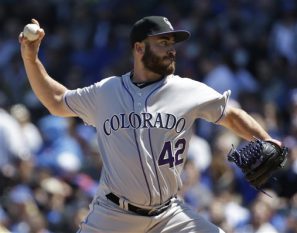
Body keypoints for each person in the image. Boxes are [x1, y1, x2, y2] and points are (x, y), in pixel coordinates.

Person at [19, 16, 283, 233]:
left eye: (172, 43)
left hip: (169, 215)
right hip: (113, 216)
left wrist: (265, 138)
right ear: (139, 48)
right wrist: (31, 61)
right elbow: (56, 101)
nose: (171, 48)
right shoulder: (106, 91)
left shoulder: (186, 90)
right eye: (163, 42)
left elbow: (232, 115)